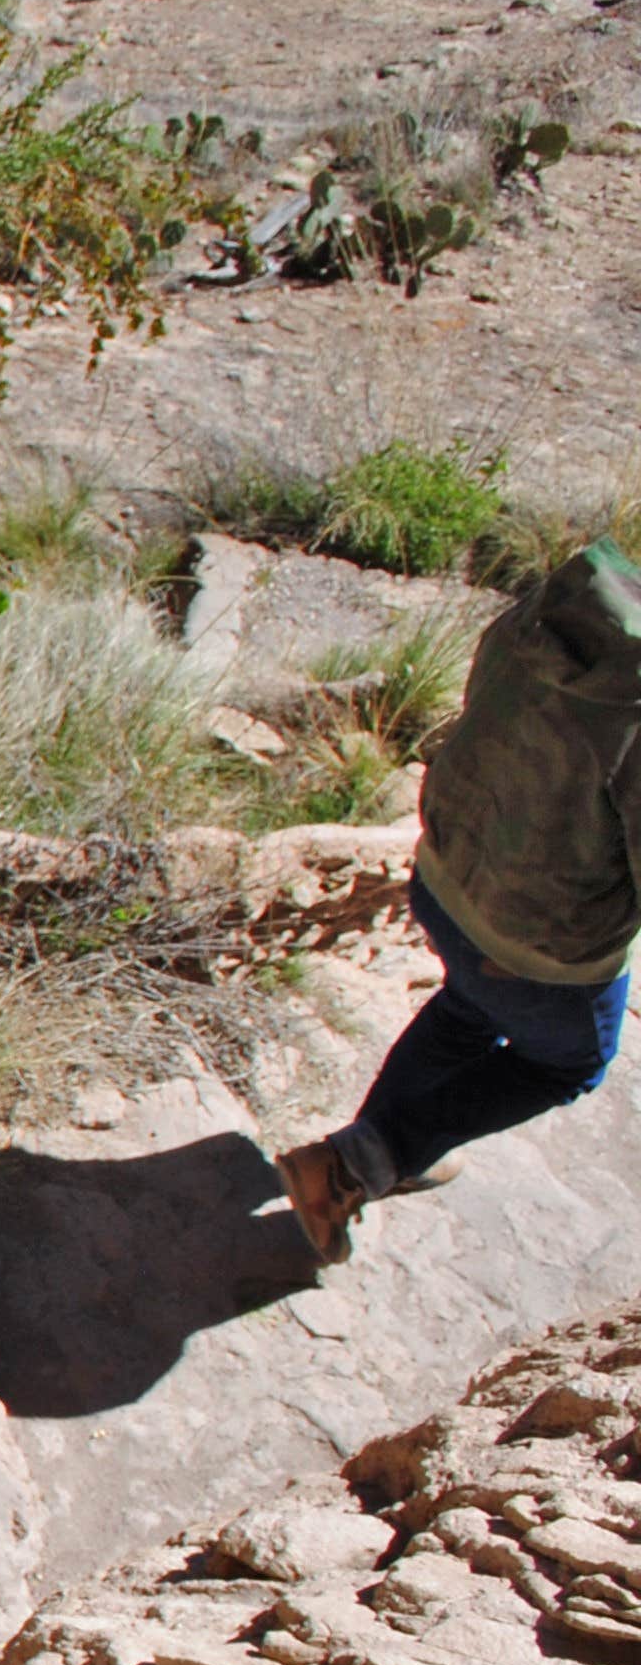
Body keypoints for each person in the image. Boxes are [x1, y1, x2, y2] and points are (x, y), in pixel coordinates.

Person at [280, 539, 641, 1264]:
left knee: (469, 1008)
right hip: (538, 945)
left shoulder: (570, 605)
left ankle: (370, 1159)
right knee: (565, 1063)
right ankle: (350, 1164)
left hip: (447, 872)